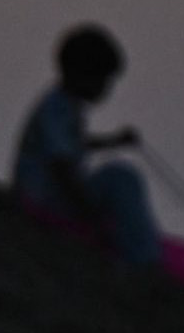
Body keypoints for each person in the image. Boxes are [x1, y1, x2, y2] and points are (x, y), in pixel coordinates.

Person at [14, 25, 163, 268]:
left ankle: (140, 247)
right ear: (81, 74)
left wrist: (115, 141)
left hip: (46, 199)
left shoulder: (66, 107)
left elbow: (73, 144)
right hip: (42, 204)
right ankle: (143, 259)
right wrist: (91, 219)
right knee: (121, 178)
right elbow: (61, 168)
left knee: (118, 180)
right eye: (103, 79)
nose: (107, 88)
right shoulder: (58, 109)